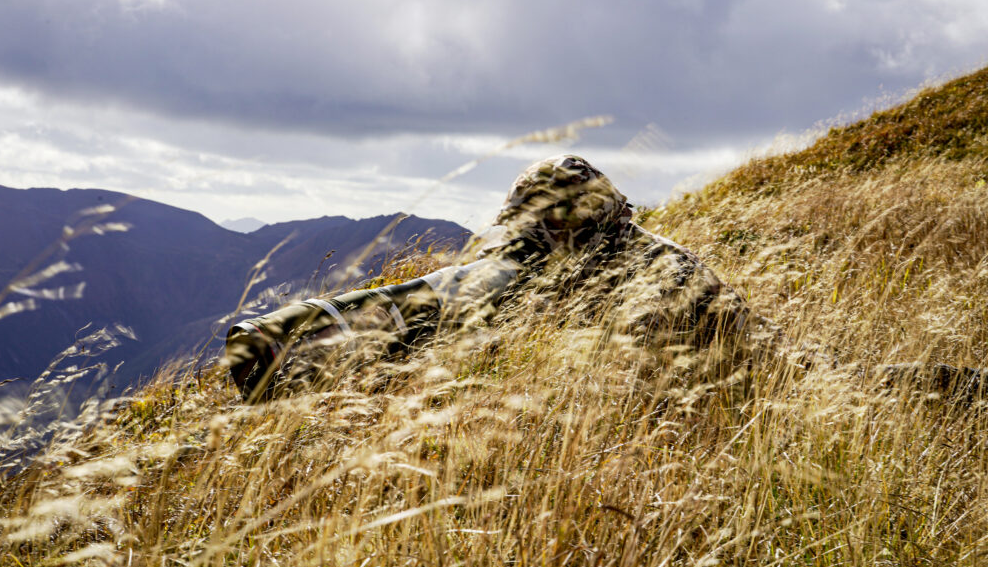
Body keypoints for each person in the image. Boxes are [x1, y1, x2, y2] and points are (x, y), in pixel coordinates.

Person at [225, 155, 984, 404]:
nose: (524, 243)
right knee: (876, 383)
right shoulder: (619, 250)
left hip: (769, 388)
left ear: (564, 226)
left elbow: (432, 303)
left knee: (885, 389)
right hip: (778, 373)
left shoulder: (624, 264)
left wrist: (290, 335)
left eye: (535, 230)